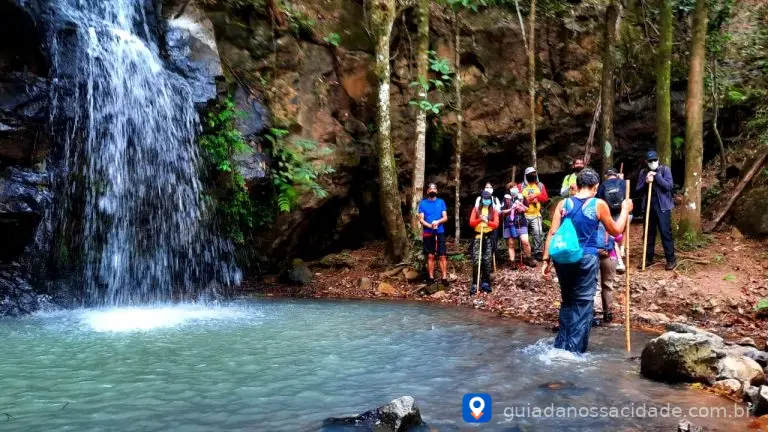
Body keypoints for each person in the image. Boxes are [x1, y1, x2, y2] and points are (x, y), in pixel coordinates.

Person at [541, 168, 633, 353]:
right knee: (583, 304)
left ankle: (560, 348)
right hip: (586, 259)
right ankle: (574, 353)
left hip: (563, 259)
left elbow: (552, 233)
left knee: (568, 301)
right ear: (596, 186)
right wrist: (625, 210)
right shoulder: (598, 204)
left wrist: (545, 260)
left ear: (577, 185)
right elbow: (616, 230)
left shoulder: (564, 204)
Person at [636, 151, 677, 271]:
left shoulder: (664, 170)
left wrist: (656, 176)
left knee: (665, 232)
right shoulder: (643, 172)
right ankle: (648, 258)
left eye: (654, 160)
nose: (653, 162)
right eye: (650, 161)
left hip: (662, 207)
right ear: (646, 162)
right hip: (649, 206)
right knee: (649, 233)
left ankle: (671, 259)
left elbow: (668, 186)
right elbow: (638, 190)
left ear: (658, 159)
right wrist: (646, 182)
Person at [513, 167, 549, 260]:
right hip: (523, 215)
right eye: (530, 174)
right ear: (525, 175)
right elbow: (516, 199)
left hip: (536, 214)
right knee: (524, 235)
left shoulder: (540, 185)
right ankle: (525, 253)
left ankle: (538, 252)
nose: (532, 175)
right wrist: (527, 200)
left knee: (538, 233)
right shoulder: (520, 186)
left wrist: (536, 197)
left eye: (534, 173)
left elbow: (545, 197)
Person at [596, 168, 627, 272]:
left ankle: (618, 260)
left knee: (611, 237)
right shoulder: (623, 183)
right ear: (616, 174)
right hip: (623, 213)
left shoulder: (602, 185)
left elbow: (599, 199)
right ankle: (622, 250)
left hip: (608, 214)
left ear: (606, 175)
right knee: (619, 234)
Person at [469, 190, 499, 295]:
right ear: (481, 199)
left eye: (488, 199)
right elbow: (471, 223)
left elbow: (496, 224)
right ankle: (475, 283)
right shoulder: (476, 209)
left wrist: (487, 221)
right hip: (478, 237)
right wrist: (480, 219)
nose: (486, 201)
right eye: (484, 199)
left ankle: (486, 282)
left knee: (487, 261)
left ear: (490, 200)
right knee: (476, 261)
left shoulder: (494, 210)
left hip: (488, 237)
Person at [418, 183, 449, 283]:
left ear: (437, 191)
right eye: (430, 189)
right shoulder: (423, 203)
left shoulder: (441, 202)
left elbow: (445, 217)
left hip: (440, 231)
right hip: (428, 232)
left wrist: (438, 222)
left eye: (434, 189)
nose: (432, 190)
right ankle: (431, 277)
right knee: (430, 255)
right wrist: (430, 225)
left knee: (442, 255)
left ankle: (444, 278)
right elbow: (421, 219)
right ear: (427, 191)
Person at [501, 193, 535, 268]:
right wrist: (512, 209)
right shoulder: (507, 198)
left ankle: (529, 258)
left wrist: (520, 205)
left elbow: (527, 209)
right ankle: (512, 261)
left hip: (521, 222)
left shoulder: (522, 197)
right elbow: (502, 211)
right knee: (511, 243)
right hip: (509, 223)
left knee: (525, 241)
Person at [475, 183, 502, 269]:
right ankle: (482, 264)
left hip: (492, 223)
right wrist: (482, 217)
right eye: (487, 187)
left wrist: (491, 213)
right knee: (481, 244)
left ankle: (491, 264)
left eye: (490, 187)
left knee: (493, 243)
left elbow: (499, 211)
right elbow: (476, 209)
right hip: (481, 224)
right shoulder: (479, 198)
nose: (489, 188)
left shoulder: (495, 199)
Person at [594, 222, 616, 324]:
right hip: (610, 256)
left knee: (596, 286)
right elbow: (619, 237)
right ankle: (608, 313)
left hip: (593, 255)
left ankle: (597, 314)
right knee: (608, 284)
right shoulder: (609, 223)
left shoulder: (590, 222)